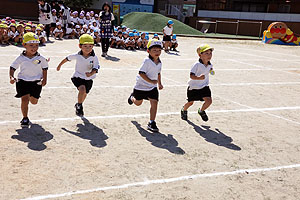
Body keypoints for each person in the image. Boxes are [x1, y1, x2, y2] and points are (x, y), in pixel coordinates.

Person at [9, 32, 48, 127]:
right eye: (31, 45)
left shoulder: (41, 58)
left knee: (34, 102)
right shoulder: (20, 58)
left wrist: (45, 79)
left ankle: (32, 96)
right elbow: (13, 67)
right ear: (24, 45)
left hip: (36, 82)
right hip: (22, 81)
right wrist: (11, 76)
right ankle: (25, 118)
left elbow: (45, 68)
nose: (34, 48)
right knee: (24, 99)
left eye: (36, 45)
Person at [56, 34, 100, 116]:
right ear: (80, 46)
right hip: (78, 77)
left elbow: (96, 68)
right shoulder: (77, 55)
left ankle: (79, 103)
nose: (88, 48)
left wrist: (91, 73)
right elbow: (67, 59)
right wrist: (59, 66)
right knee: (82, 90)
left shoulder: (94, 57)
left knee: (85, 94)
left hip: (89, 79)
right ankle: (79, 106)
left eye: (90, 46)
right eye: (85, 46)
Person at [127, 39, 164, 132]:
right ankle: (132, 97)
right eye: (154, 50)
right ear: (148, 51)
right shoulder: (146, 61)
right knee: (138, 103)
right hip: (141, 87)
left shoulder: (159, 62)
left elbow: (158, 73)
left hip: (152, 88)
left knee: (154, 102)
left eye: (159, 50)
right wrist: (151, 81)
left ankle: (152, 122)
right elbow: (141, 73)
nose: (157, 52)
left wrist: (159, 83)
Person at [181, 44, 214, 122]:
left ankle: (201, 111)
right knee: (190, 103)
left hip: (204, 86)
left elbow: (210, 69)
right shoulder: (196, 64)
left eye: (210, 53)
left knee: (209, 101)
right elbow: (191, 76)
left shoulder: (210, 64)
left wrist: (211, 71)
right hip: (193, 87)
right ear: (200, 55)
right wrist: (198, 78)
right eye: (206, 53)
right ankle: (183, 110)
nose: (209, 55)